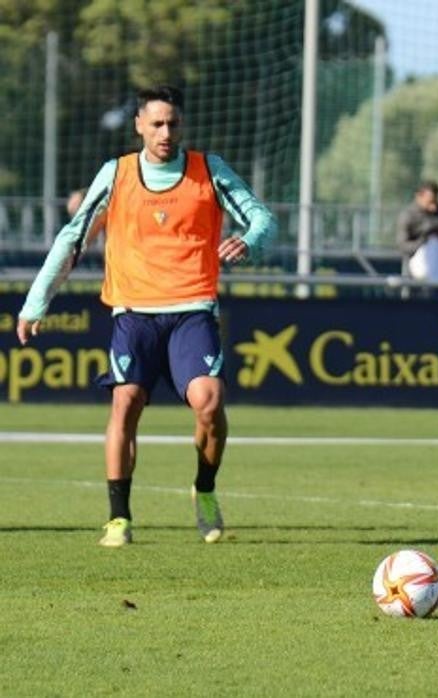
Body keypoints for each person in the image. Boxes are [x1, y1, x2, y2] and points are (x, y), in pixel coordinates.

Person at [16, 85, 276, 547]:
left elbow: (263, 220)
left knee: (210, 402)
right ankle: (119, 518)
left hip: (192, 310)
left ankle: (206, 489)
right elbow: (73, 237)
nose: (165, 132)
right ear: (139, 125)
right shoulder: (116, 174)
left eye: (173, 123)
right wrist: (36, 302)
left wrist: (250, 241)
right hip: (134, 313)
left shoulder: (208, 171)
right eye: (156, 123)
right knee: (127, 401)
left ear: (183, 124)